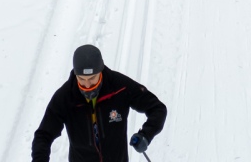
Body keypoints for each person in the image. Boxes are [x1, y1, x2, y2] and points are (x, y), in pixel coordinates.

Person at [32, 44, 167, 162]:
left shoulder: (120, 87)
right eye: (81, 79)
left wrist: (146, 135)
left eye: (92, 78)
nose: (87, 84)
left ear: (100, 71)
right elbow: (44, 135)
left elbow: (157, 108)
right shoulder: (65, 97)